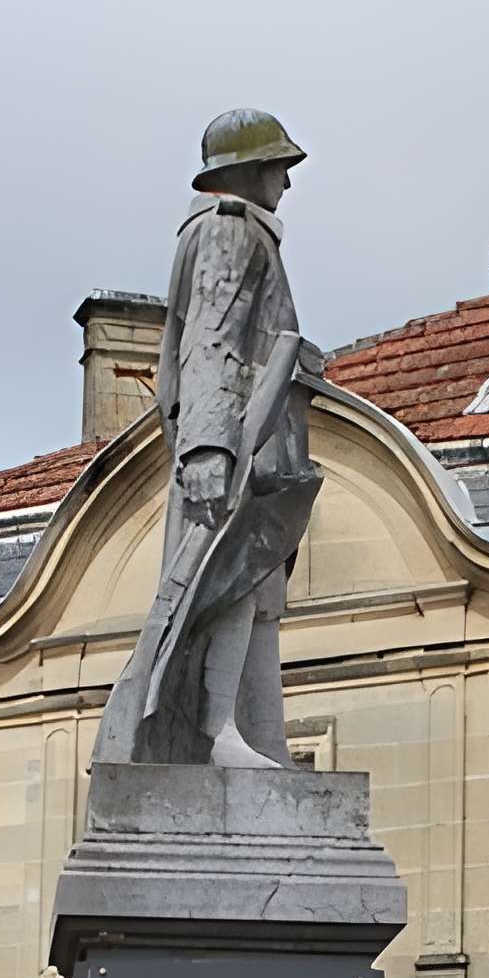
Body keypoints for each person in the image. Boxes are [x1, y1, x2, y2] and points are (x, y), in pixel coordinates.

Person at [93, 109, 322, 770]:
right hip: (236, 439)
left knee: (254, 586)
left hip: (258, 440)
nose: (286, 181)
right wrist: (208, 448)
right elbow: (212, 342)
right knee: (225, 579)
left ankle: (258, 737)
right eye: (278, 166)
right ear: (249, 170)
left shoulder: (241, 233)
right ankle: (216, 728)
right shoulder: (229, 231)